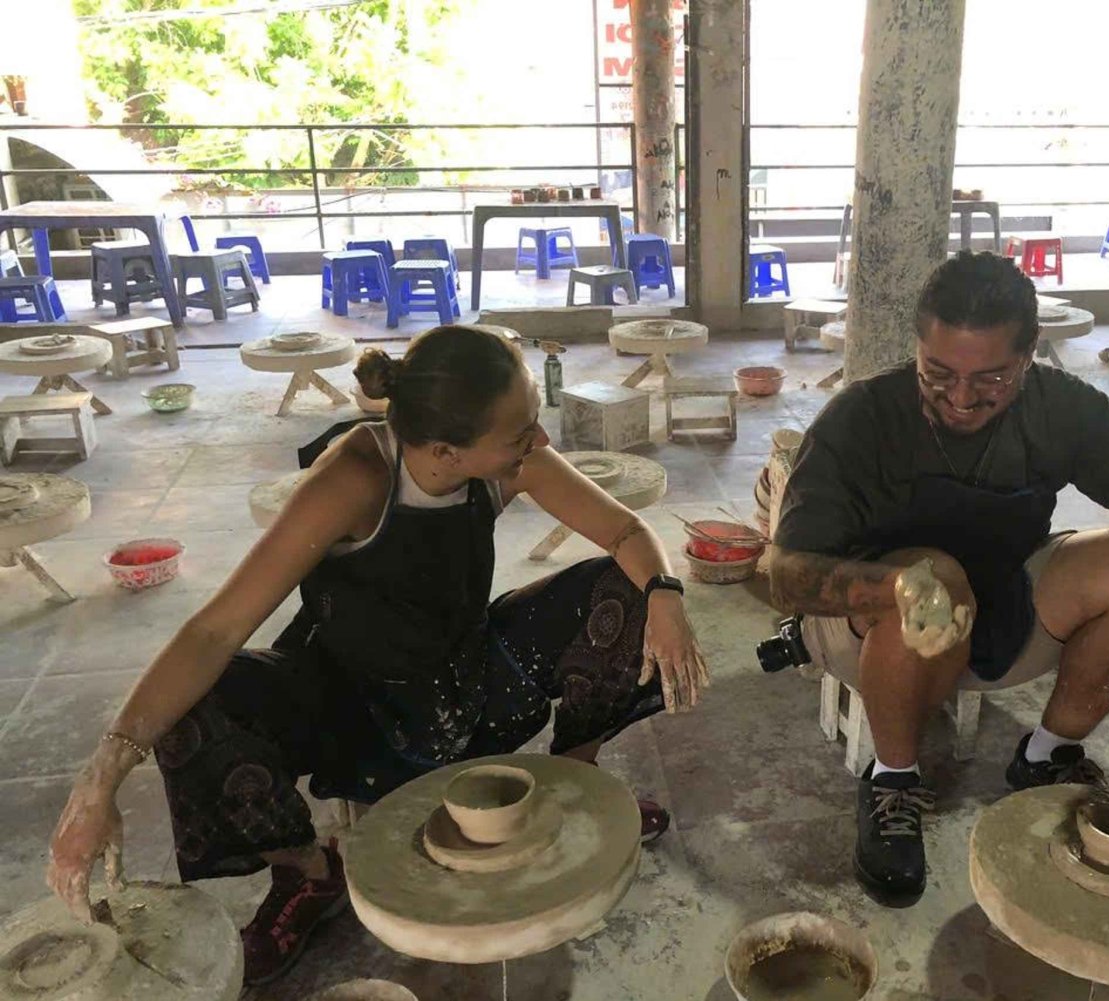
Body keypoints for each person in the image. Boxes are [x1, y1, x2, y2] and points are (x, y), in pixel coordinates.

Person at [46, 324, 709, 984]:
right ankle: (307, 870)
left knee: (630, 587)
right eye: (520, 433)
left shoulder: (510, 456)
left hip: (467, 679)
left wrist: (666, 589)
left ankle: (571, 785)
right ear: (447, 449)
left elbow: (624, 527)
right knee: (193, 710)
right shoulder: (355, 477)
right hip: (353, 705)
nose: (539, 441)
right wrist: (103, 772)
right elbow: (211, 632)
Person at [768, 252, 1109, 908]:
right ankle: (892, 779)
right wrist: (887, 591)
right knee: (934, 575)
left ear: (1031, 353)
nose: (960, 397)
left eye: (991, 378)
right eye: (938, 373)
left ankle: (1047, 753)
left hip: (1004, 605)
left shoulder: (1063, 409)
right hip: (870, 630)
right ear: (917, 347)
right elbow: (784, 575)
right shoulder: (861, 417)